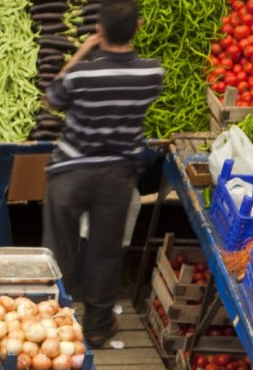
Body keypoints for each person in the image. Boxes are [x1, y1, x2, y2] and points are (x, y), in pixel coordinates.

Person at [44, 0, 161, 348]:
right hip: (116, 176)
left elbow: (52, 97)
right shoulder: (151, 73)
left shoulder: (82, 74)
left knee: (58, 251)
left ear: (99, 30)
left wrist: (83, 50)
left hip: (71, 173)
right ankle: (96, 327)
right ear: (138, 27)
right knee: (104, 252)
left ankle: (53, 323)